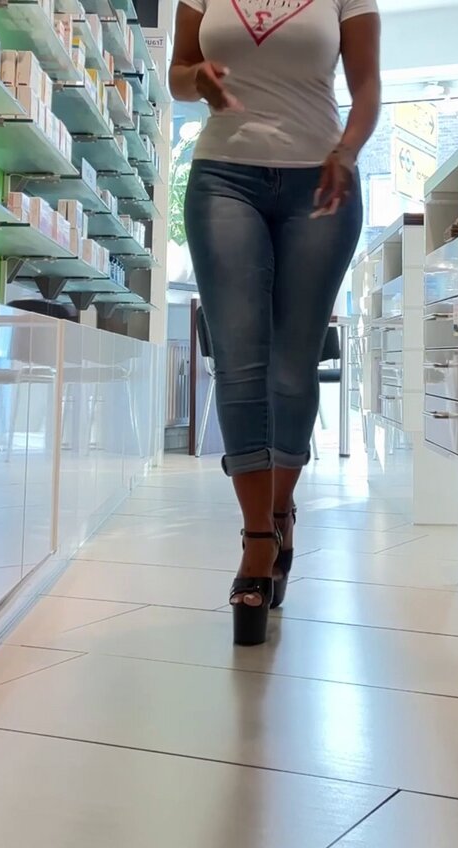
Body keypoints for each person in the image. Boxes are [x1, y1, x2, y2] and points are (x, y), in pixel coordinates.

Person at [170, 0, 381, 646]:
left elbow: (367, 85)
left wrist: (348, 150)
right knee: (239, 363)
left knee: (293, 368)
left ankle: (282, 506)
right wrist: (197, 79)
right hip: (222, 178)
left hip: (321, 179)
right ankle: (258, 540)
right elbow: (178, 74)